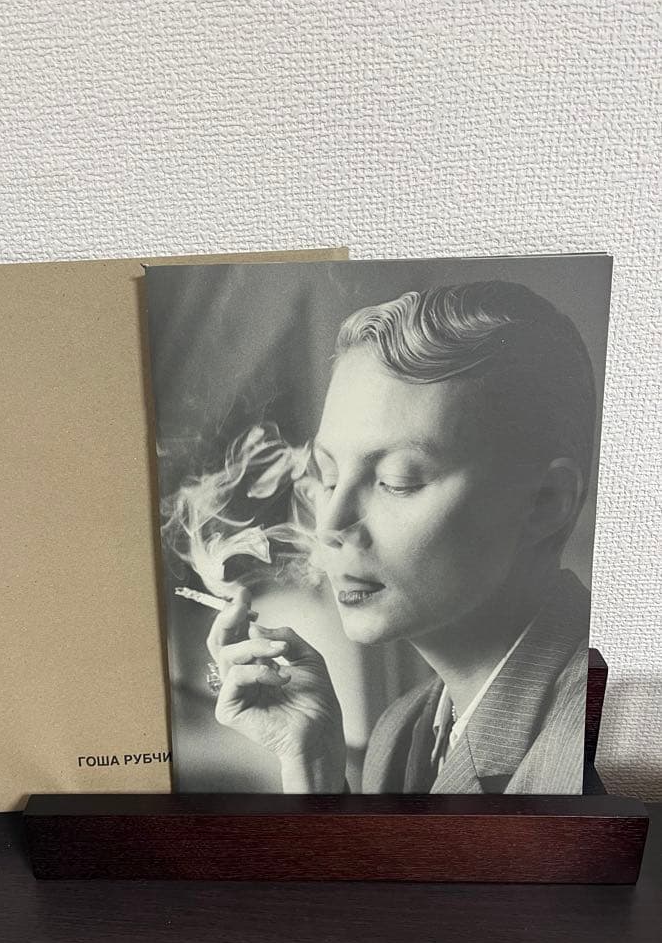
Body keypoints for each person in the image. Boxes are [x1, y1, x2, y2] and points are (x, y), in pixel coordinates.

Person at [205, 281, 596, 794]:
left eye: (397, 481)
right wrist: (314, 769)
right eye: (328, 478)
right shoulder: (401, 730)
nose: (330, 523)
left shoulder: (603, 745)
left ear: (546, 501)